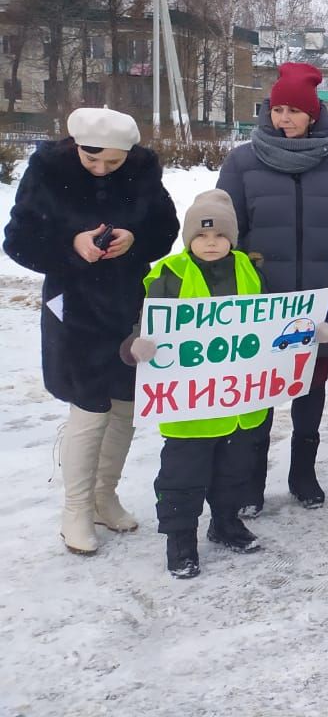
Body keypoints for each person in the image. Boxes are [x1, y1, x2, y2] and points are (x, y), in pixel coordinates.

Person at [3, 107, 178, 555]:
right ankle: (75, 510)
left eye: (112, 162)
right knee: (89, 404)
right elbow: (18, 241)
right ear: (76, 146)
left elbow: (165, 229)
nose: (101, 169)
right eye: (92, 159)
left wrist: (136, 239)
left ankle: (105, 496)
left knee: (124, 402)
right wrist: (71, 245)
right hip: (75, 305)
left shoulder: (143, 171)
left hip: (127, 302)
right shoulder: (47, 171)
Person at [124, 191, 318, 578]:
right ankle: (180, 539)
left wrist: (311, 331)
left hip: (239, 403)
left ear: (232, 237)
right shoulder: (169, 274)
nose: (210, 244)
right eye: (201, 236)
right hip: (189, 407)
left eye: (218, 236)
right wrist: (136, 345)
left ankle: (225, 522)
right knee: (183, 476)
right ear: (188, 239)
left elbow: (270, 322)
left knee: (235, 469)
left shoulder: (249, 268)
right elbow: (147, 321)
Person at [217, 62, 328, 513]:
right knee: (259, 396)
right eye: (277, 109)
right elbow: (226, 232)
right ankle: (250, 484)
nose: (283, 118)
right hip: (263, 303)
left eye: (293, 111)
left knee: (310, 392)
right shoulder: (242, 161)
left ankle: (303, 474)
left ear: (313, 115)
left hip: (319, 306)